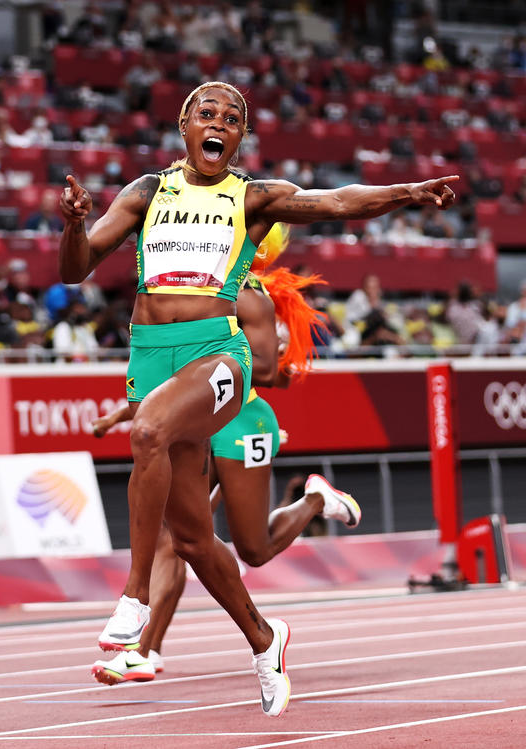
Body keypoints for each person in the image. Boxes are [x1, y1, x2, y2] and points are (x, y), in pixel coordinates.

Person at [58, 80, 457, 717]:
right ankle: (266, 641)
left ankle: (133, 599)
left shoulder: (251, 197)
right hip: (149, 353)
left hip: (217, 353)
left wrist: (407, 192)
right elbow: (75, 268)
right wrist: (74, 225)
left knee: (148, 434)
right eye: (207, 113)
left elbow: (337, 203)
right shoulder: (144, 192)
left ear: (241, 137)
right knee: (192, 539)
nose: (219, 123)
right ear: (185, 124)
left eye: (233, 118)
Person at [89, 228, 361, 683]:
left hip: (240, 421)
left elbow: (269, 372)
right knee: (177, 540)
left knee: (251, 549)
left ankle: (314, 499)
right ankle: (143, 649)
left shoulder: (251, 296)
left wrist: (243, 365)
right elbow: (172, 383)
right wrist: (121, 414)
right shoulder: (192, 289)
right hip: (201, 422)